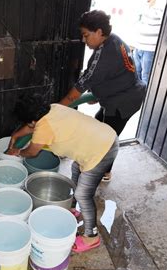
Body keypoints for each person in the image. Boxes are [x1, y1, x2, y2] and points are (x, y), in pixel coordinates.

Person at [7, 94, 119, 252]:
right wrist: (16, 135)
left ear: (32, 121)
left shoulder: (43, 128)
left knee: (83, 194)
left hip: (102, 151)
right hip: (104, 136)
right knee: (75, 169)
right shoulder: (53, 108)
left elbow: (32, 152)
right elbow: (32, 126)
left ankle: (91, 237)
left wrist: (18, 151)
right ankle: (72, 208)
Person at [59, 10, 146, 182]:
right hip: (125, 93)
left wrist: (54, 111)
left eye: (86, 35)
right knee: (99, 130)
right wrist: (98, 95)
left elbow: (73, 95)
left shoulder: (104, 57)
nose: (84, 40)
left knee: (105, 142)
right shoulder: (113, 39)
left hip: (124, 102)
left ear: (99, 32)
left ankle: (102, 173)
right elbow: (115, 74)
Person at [133, 0, 166, 84]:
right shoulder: (144, 4)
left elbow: (165, 21)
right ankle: (136, 96)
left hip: (149, 49)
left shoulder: (161, 5)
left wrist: (154, 3)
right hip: (138, 46)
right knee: (135, 74)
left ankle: (144, 97)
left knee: (145, 76)